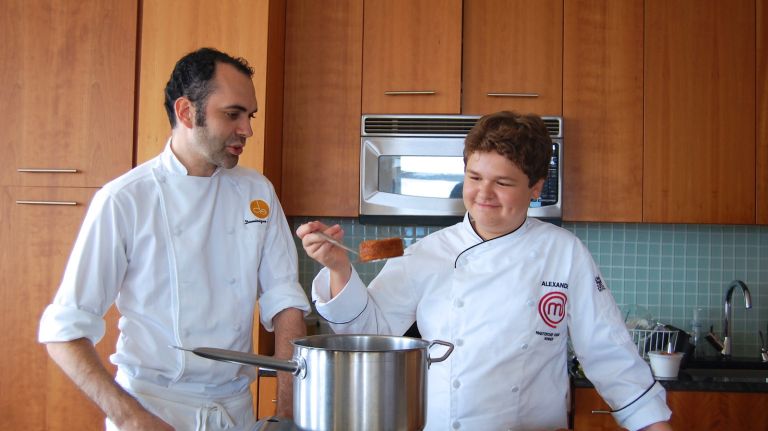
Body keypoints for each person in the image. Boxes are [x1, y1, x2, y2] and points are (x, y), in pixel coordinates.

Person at [297, 111, 673, 431]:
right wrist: (338, 269)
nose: (483, 194)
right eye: (475, 177)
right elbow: (370, 337)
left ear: (535, 187)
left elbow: (608, 352)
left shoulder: (564, 253)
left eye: (503, 182)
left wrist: (653, 421)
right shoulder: (429, 253)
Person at [39, 47, 311, 431]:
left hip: (234, 412)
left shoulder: (257, 192)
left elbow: (285, 304)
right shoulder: (126, 200)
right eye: (232, 114)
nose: (247, 129)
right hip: (153, 407)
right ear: (186, 112)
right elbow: (63, 334)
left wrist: (286, 416)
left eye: (248, 116)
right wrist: (133, 419)